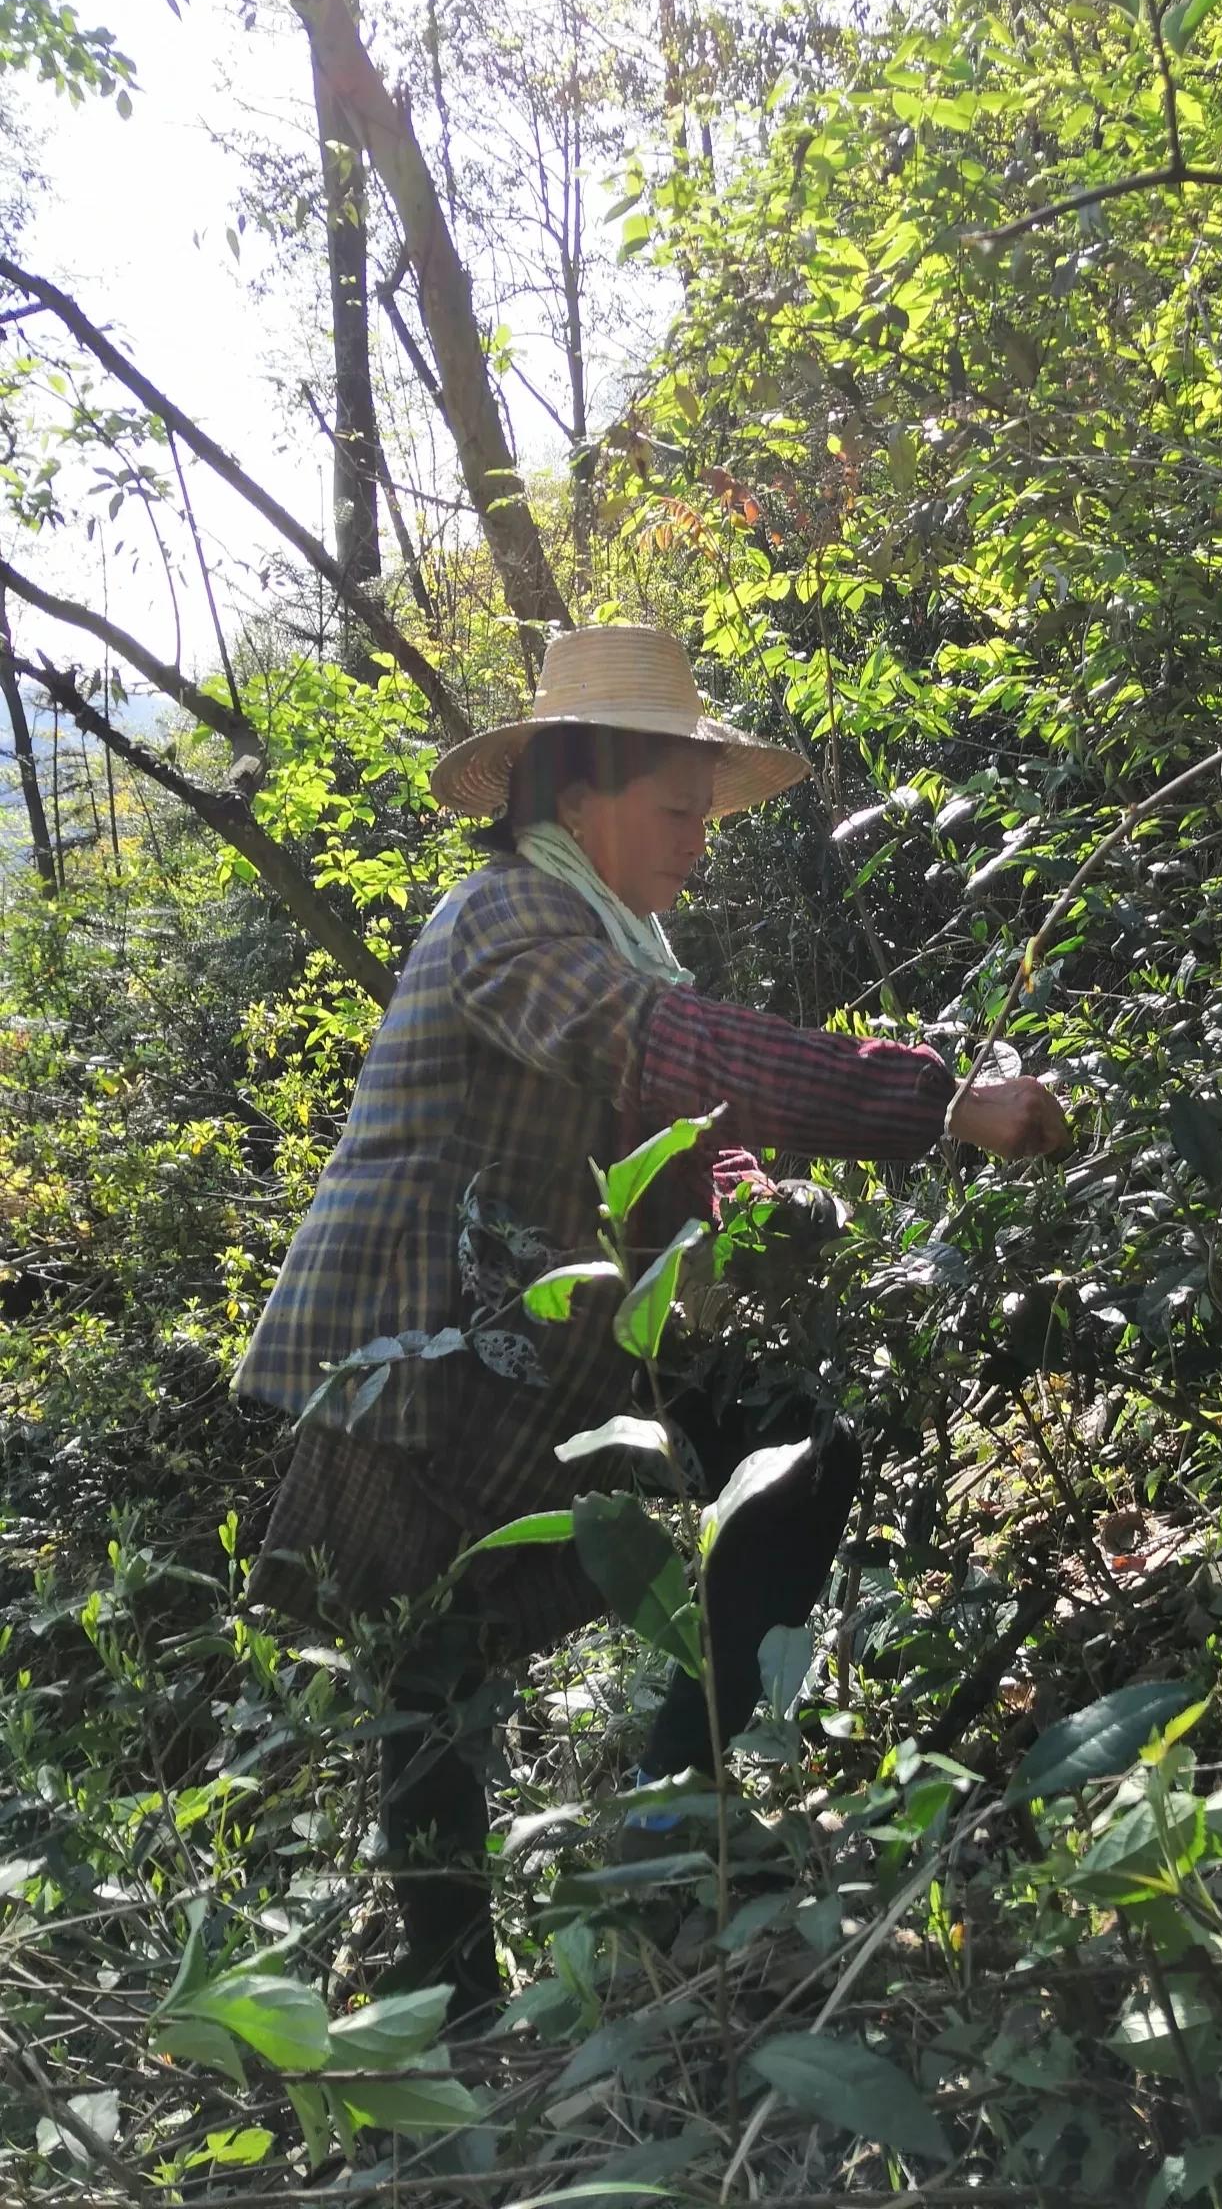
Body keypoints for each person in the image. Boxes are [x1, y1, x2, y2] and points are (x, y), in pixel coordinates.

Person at [236, 624, 1070, 2026]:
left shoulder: (617, 938)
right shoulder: (505, 918)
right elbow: (655, 1050)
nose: (698, 839)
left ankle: (669, 1835)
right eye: (675, 810)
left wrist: (768, 1206)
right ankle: (455, 2007)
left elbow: (681, 1127)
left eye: (703, 812)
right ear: (580, 805)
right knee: (434, 1681)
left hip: (551, 1344)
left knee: (796, 1452)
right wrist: (936, 1100)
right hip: (413, 1348)